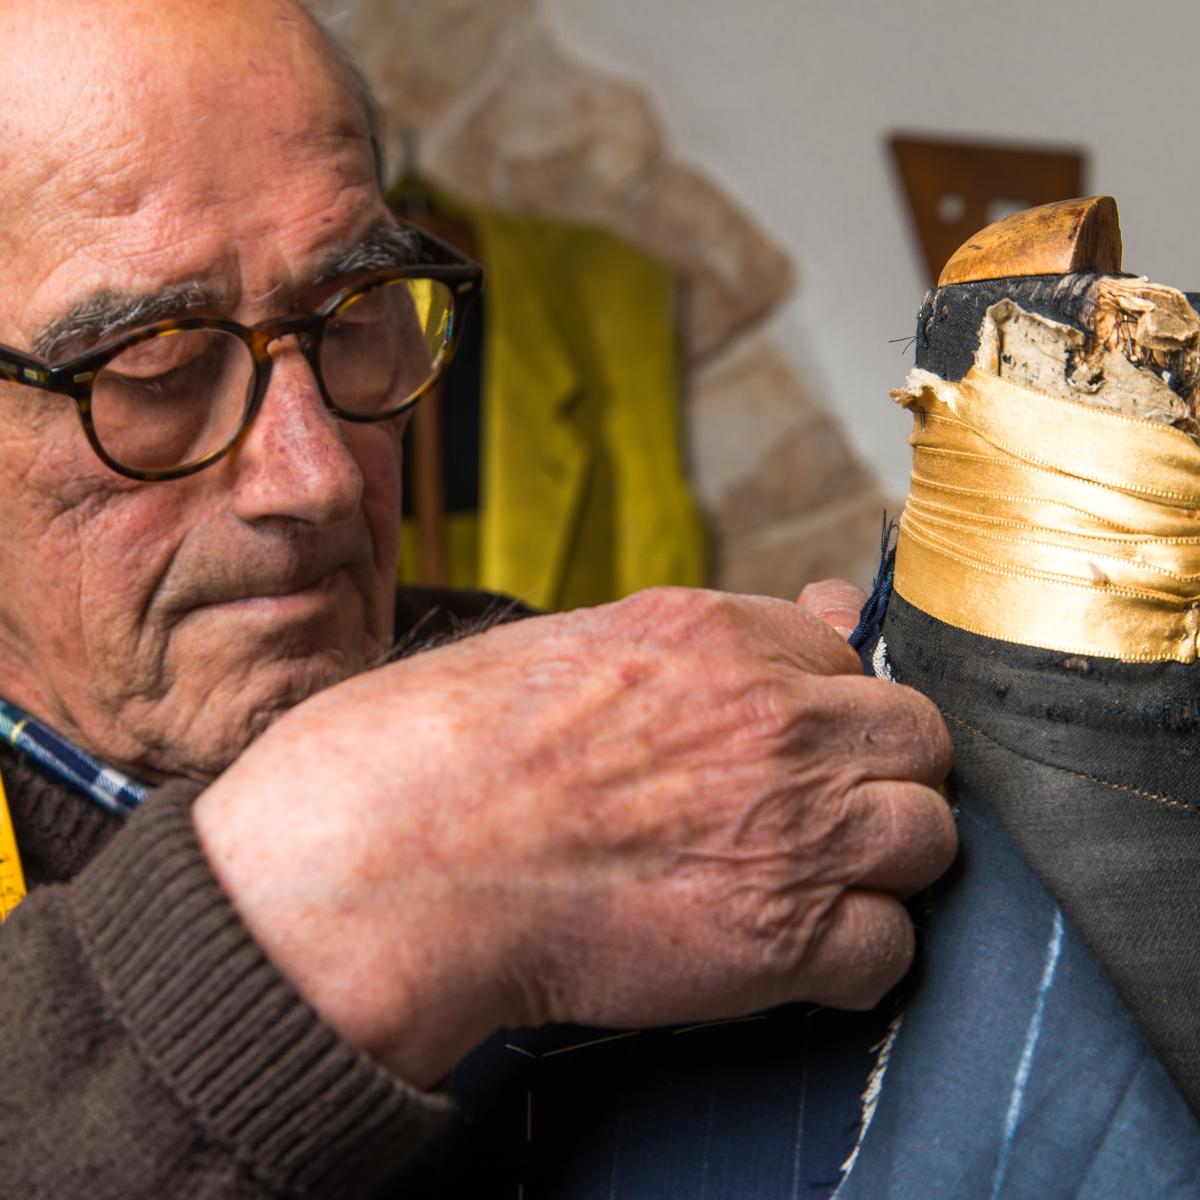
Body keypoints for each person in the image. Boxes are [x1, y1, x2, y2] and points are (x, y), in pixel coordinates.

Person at [0, 2, 958, 1195]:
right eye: (153, 364)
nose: (320, 476)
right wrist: (363, 888)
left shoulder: (567, 710)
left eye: (352, 318)